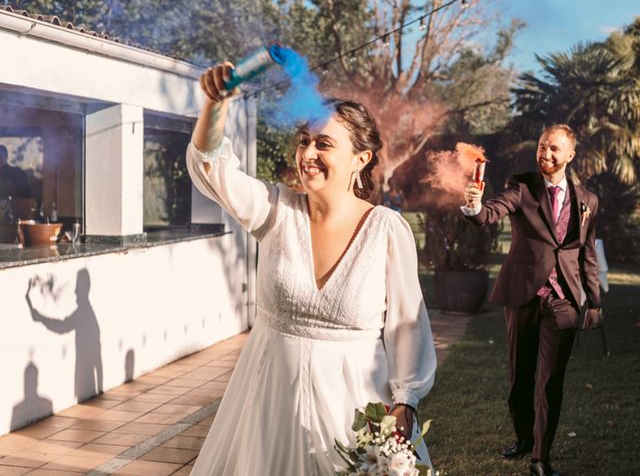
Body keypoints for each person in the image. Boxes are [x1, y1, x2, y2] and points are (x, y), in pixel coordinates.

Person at [186, 63, 437, 475]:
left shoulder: (386, 231)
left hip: (352, 413)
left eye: (324, 144)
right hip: (268, 408)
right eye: (304, 142)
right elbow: (212, 169)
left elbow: (407, 325)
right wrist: (215, 105)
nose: (308, 155)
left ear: (361, 158)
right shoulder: (275, 210)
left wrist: (405, 400)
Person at [462, 124, 601, 476]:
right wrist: (476, 207)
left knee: (551, 381)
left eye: (554, 149)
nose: (546, 154)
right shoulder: (521, 186)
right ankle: (524, 436)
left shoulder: (588, 200)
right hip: (523, 294)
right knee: (520, 377)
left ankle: (541, 456)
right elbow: (491, 212)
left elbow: (586, 254)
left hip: (565, 299)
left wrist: (594, 302)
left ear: (570, 154)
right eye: (542, 146)